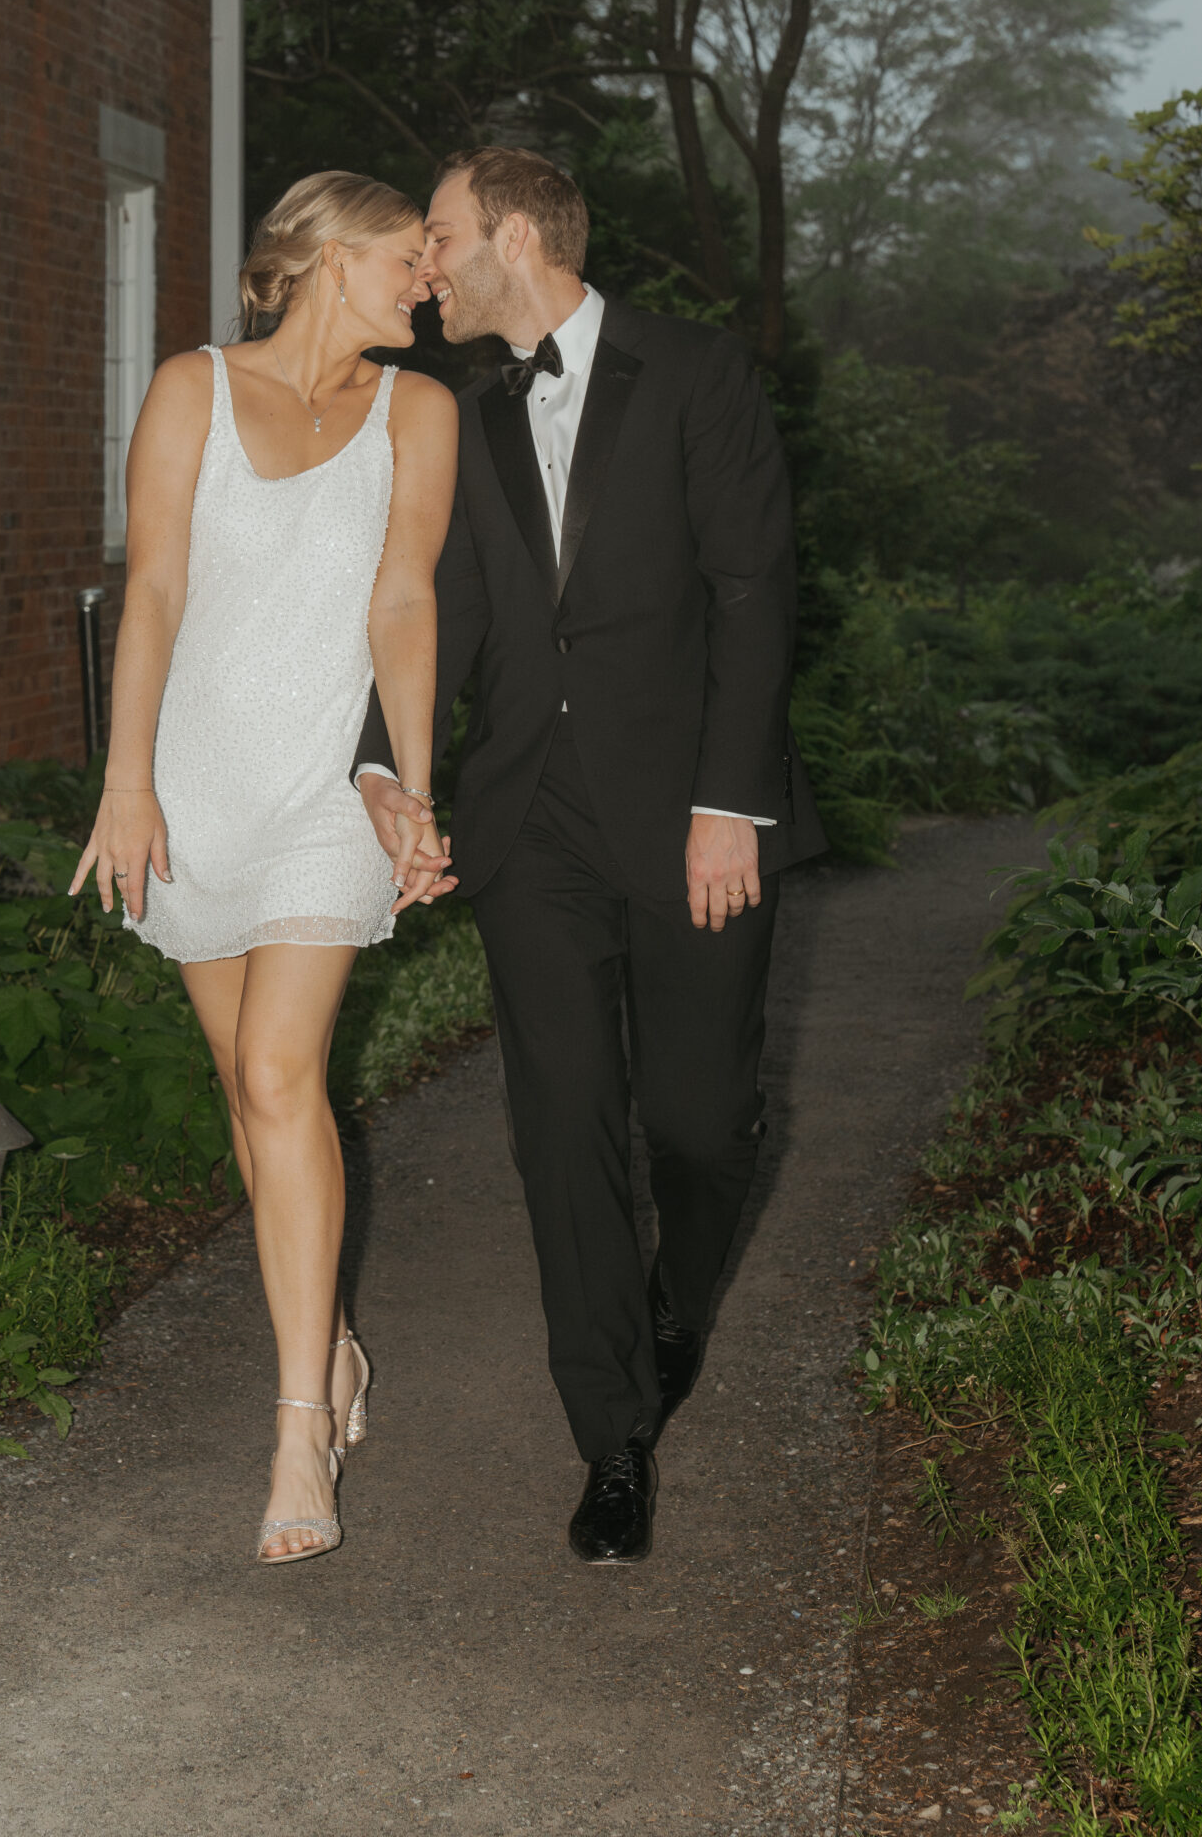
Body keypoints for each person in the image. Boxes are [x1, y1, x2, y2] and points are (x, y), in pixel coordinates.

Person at [356, 147, 825, 1565]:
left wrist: (730, 801)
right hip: (529, 825)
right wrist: (387, 763)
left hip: (690, 812)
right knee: (561, 1127)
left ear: (511, 234)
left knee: (697, 1124)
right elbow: (434, 608)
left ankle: (681, 1297)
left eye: (438, 238)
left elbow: (753, 589)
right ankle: (613, 1438)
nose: (426, 267)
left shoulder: (694, 373)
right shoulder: (455, 407)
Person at [73, 172, 458, 1565]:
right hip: (193, 789)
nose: (429, 281)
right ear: (324, 257)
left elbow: (404, 596)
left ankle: (299, 1424)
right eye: (409, 260)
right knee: (247, 1088)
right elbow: (155, 588)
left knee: (286, 1073)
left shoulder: (421, 413)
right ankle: (337, 1344)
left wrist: (409, 792)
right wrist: (126, 786)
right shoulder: (191, 390)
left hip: (317, 798)